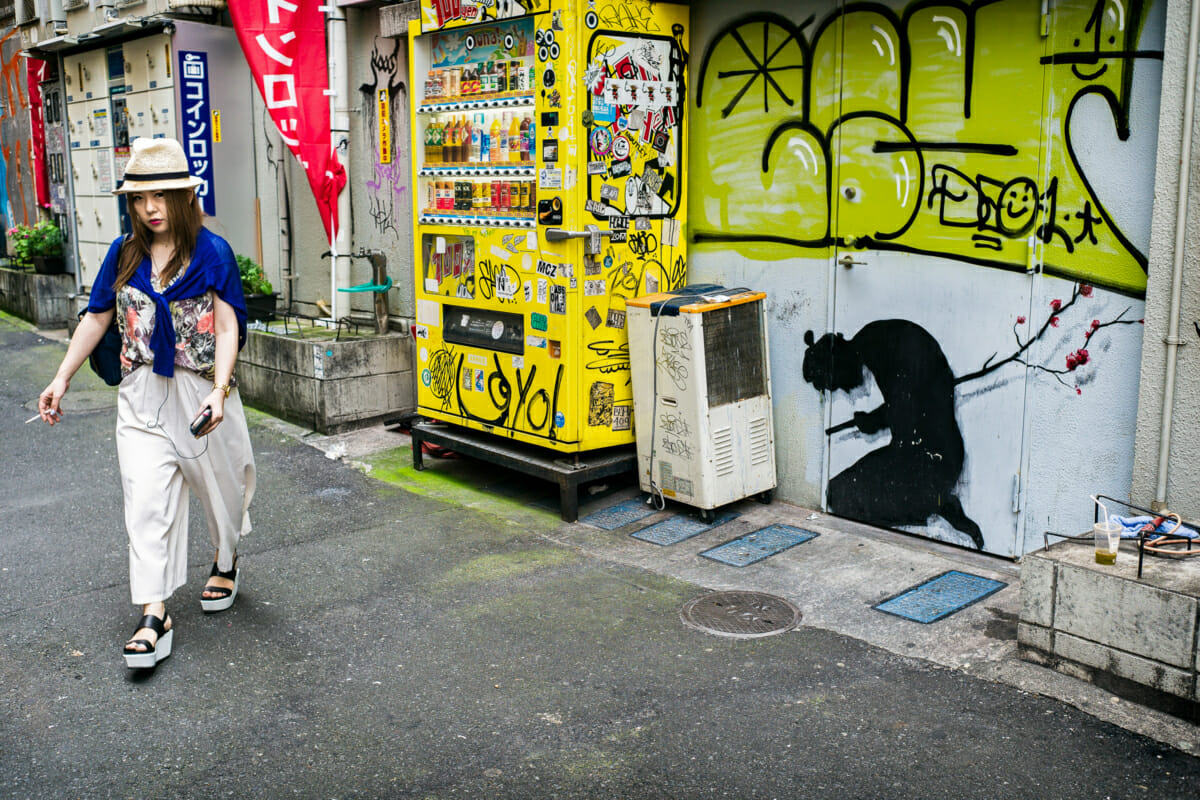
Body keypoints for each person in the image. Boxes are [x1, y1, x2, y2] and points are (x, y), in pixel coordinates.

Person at [38, 137, 256, 669]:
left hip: (201, 391)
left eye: (159, 196)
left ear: (183, 196)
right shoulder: (123, 252)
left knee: (222, 493)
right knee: (145, 502)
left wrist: (222, 391)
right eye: (139, 198)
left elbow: (227, 325)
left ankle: (225, 558)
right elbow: (96, 317)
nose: (149, 208)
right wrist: (62, 378)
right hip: (140, 395)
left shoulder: (212, 251)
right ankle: (155, 614)